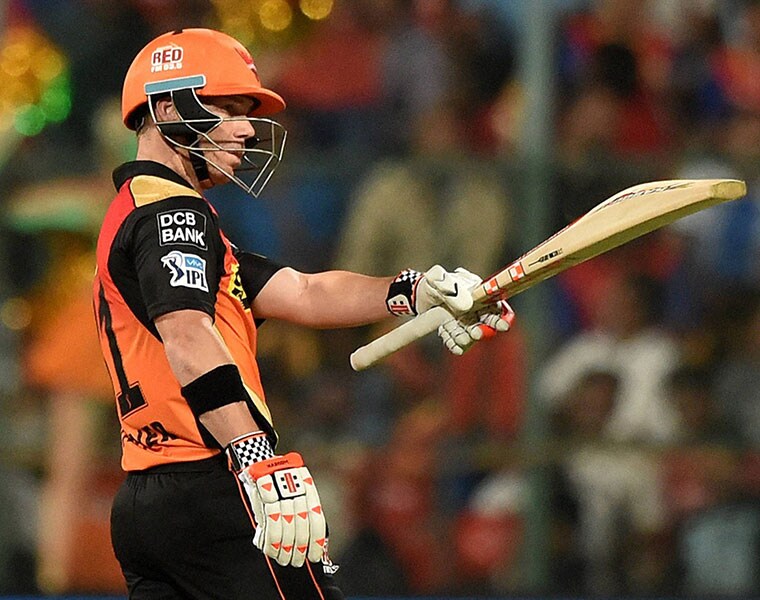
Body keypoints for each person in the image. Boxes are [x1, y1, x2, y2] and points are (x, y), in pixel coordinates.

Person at [92, 28, 513, 600]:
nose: (245, 127)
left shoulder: (144, 211)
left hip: (147, 499)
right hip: (213, 484)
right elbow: (187, 338)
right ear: (167, 106)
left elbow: (304, 292)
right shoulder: (173, 214)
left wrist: (418, 290)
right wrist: (255, 458)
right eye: (228, 107)